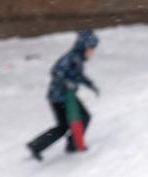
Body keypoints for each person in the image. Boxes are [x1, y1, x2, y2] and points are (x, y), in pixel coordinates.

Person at [27, 30, 100, 161]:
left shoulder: (78, 59)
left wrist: (90, 84)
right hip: (59, 97)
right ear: (83, 47)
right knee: (66, 125)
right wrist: (67, 83)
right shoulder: (71, 58)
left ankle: (71, 144)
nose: (92, 52)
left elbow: (78, 76)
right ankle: (37, 146)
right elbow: (55, 72)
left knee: (82, 118)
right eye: (91, 48)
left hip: (67, 96)